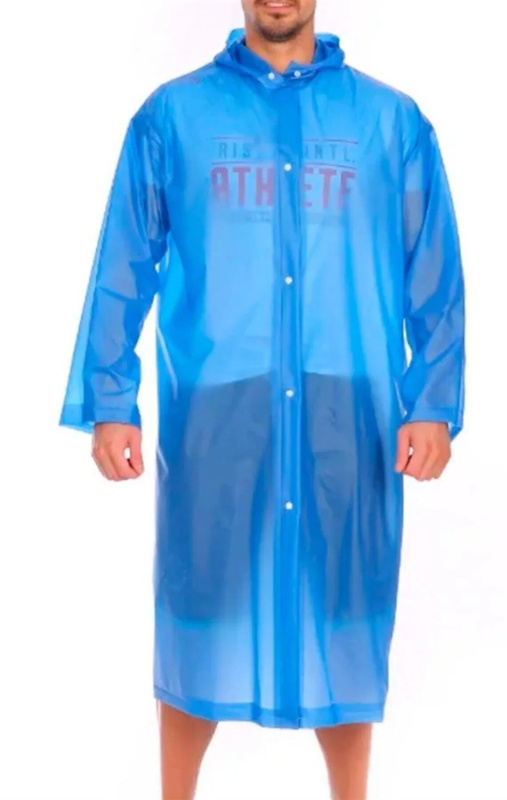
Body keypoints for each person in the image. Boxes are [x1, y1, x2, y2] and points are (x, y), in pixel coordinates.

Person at [58, 0, 466, 797]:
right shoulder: (173, 116)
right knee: (198, 606)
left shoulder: (389, 122)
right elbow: (124, 261)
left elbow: (433, 269)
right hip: (218, 407)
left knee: (343, 607)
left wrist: (431, 400)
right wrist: (110, 398)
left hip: (345, 406)